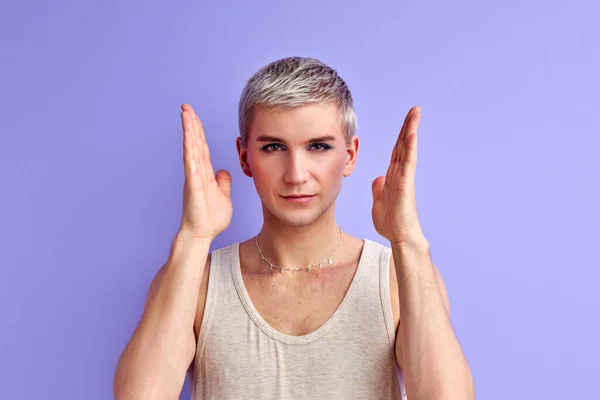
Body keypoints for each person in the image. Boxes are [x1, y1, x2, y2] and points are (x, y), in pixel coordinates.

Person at [114, 57, 474, 399]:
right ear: (244, 158)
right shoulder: (194, 278)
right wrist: (193, 239)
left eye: (318, 146)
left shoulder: (398, 278)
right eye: (273, 147)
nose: (296, 174)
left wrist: (408, 241)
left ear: (349, 155)